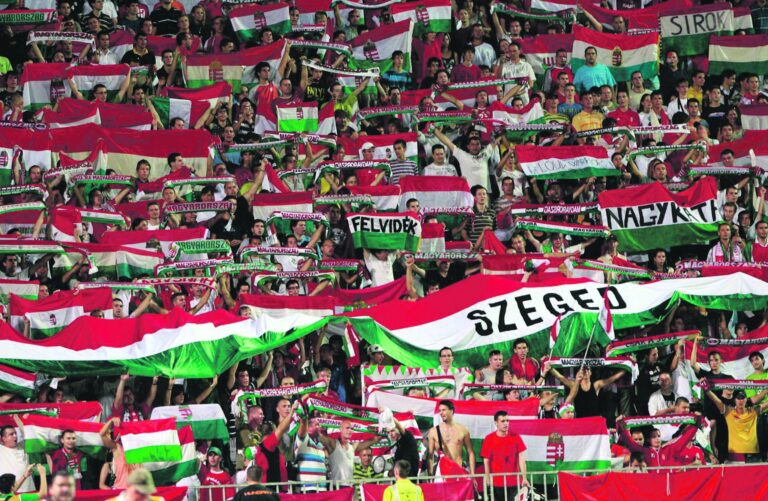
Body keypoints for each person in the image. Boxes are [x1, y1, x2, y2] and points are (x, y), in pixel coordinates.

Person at [481, 410, 529, 499]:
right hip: (496, 482)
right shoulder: (489, 439)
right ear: (496, 423)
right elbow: (486, 460)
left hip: (514, 482)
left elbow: (522, 459)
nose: (506, 423)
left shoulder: (516, 437)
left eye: (507, 420)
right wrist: (487, 477)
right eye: (503, 421)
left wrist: (524, 477)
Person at [427, 400, 475, 476]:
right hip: (441, 473)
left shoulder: (463, 430)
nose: (441, 413)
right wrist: (430, 476)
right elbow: (430, 456)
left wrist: (473, 475)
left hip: (458, 471)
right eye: (440, 410)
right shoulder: (433, 431)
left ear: (451, 411)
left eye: (443, 410)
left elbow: (470, 452)